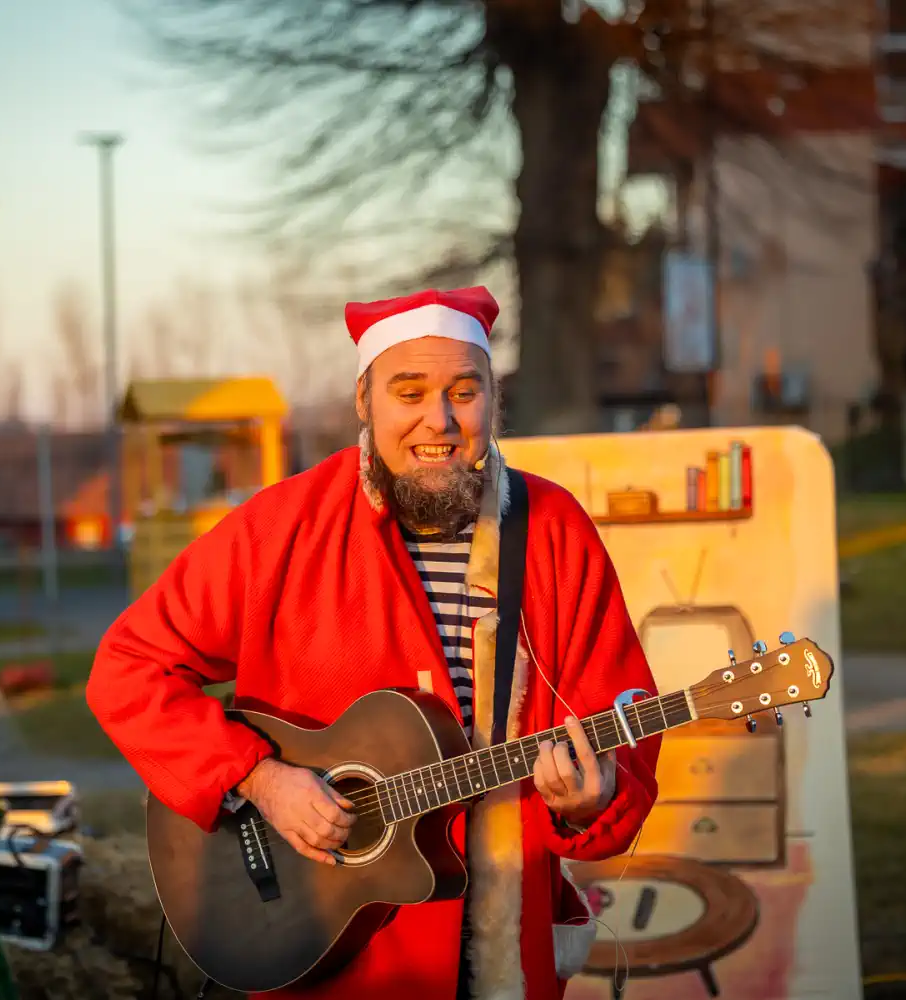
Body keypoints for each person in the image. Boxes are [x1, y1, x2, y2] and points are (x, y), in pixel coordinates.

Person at [86, 285, 662, 1000]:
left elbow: (622, 718)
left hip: (501, 954)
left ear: (492, 399)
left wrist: (588, 799)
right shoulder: (282, 529)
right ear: (365, 400)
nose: (439, 421)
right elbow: (128, 669)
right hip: (330, 955)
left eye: (464, 391)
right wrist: (259, 777)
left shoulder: (552, 530)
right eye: (409, 392)